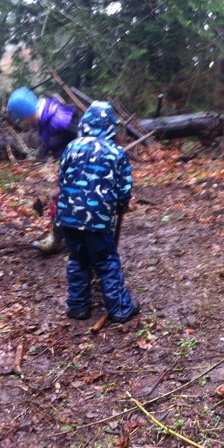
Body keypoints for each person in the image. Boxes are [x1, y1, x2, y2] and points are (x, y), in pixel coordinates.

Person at [55, 101, 140, 323]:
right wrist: (120, 207)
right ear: (111, 127)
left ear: (85, 124)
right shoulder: (116, 153)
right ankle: (120, 308)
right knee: (106, 261)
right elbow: (124, 189)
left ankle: (78, 307)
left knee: (78, 259)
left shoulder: (71, 147)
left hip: (69, 216)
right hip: (98, 218)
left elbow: (62, 179)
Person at [7, 87, 80, 253]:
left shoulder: (59, 119)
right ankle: (58, 236)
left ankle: (76, 237)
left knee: (65, 197)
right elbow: (51, 139)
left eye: (21, 118)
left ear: (25, 113)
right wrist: (42, 154)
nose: (23, 122)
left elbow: (83, 140)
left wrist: (69, 178)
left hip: (80, 164)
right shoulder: (44, 119)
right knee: (59, 198)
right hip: (66, 161)